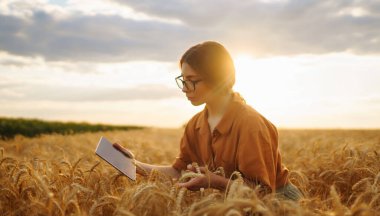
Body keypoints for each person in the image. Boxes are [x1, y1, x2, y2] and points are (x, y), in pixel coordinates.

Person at [113, 41, 303, 201]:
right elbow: (178, 172)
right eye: (182, 79)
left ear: (217, 79)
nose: (184, 88)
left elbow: (262, 193)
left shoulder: (250, 124)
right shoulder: (195, 124)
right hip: (235, 210)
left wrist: (214, 181)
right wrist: (134, 164)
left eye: (192, 80)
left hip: (280, 207)